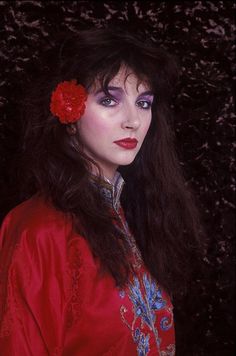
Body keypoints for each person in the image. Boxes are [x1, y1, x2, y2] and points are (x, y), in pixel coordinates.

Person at [0, 27, 202, 355]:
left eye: (144, 102)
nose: (133, 121)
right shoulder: (37, 231)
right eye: (109, 100)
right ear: (69, 111)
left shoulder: (134, 214)